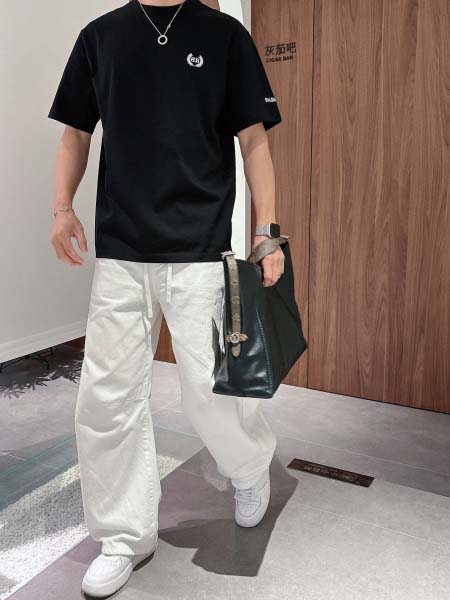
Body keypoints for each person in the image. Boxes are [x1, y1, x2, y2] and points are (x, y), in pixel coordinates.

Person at [48, 0, 284, 596]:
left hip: (200, 247)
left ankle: (250, 466)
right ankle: (124, 535)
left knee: (208, 387)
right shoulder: (100, 37)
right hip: (121, 250)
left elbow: (253, 139)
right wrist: (61, 207)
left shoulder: (224, 35)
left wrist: (267, 232)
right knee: (106, 397)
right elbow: (76, 130)